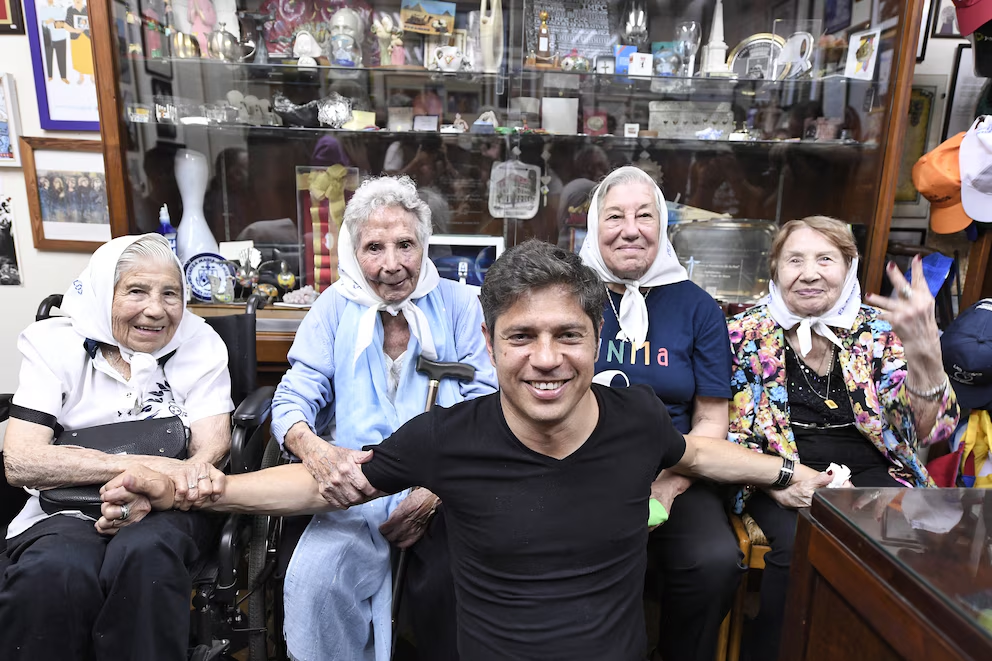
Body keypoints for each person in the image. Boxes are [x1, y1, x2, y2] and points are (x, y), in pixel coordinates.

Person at [102, 239, 834, 661]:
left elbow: (699, 455)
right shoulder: (448, 437)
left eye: (567, 335)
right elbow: (322, 485)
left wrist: (787, 472)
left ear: (595, 341)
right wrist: (191, 487)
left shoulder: (636, 420)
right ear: (489, 344)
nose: (546, 358)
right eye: (522, 336)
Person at [268, 175, 496, 660]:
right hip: (352, 491)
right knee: (315, 584)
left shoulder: (461, 306)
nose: (391, 265)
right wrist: (315, 450)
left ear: (425, 246)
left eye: (405, 245)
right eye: (374, 247)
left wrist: (435, 491)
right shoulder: (332, 308)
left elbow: (490, 408)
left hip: (448, 492)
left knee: (449, 590)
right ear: (354, 251)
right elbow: (292, 399)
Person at [727, 216, 960, 660]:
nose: (809, 273)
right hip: (781, 472)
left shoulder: (879, 329)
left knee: (914, 540)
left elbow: (928, 428)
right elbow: (734, 430)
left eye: (825, 259)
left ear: (849, 266)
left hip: (874, 467)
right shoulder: (745, 332)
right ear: (774, 269)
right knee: (803, 546)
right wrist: (779, 480)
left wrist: (927, 355)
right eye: (794, 259)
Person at [0, 234, 234, 660]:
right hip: (66, 507)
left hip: (171, 508)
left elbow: (209, 449)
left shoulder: (200, 343)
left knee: (145, 556)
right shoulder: (51, 345)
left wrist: (158, 489)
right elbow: (21, 461)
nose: (156, 309)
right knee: (55, 570)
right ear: (102, 293)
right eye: (136, 291)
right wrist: (137, 469)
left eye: (170, 294)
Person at [578, 165, 742, 661]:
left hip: (676, 469)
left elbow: (712, 418)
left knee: (714, 562)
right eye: (615, 216)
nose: (630, 229)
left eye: (644, 215)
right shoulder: (567, 293)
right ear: (593, 225)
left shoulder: (698, 308)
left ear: (663, 225)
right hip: (577, 469)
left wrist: (669, 485)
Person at [38, 0, 70, 84]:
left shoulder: (60, 7)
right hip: (47, 37)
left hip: (60, 36)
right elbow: (40, 22)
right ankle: (49, 75)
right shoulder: (42, 9)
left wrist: (56, 22)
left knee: (62, 57)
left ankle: (63, 76)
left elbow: (64, 20)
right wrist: (46, 22)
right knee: (48, 57)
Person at [64, 0, 93, 85]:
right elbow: (66, 25)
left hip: (87, 37)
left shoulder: (87, 8)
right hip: (76, 38)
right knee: (79, 57)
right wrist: (75, 31)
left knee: (90, 56)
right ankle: (81, 76)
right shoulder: (70, 10)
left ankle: (92, 75)